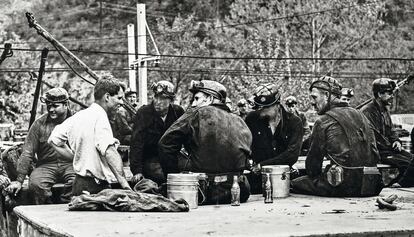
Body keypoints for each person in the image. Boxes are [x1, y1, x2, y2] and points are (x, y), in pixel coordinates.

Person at [158, 80, 252, 204]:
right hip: (239, 191)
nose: (193, 103)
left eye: (197, 98)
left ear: (210, 98)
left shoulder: (196, 113)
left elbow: (165, 144)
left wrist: (175, 181)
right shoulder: (240, 121)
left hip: (204, 192)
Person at [291, 76, 383, 197]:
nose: (312, 102)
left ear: (326, 95)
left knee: (292, 183)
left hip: (341, 185)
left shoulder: (323, 121)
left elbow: (313, 168)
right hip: (371, 185)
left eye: (314, 97)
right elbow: (375, 154)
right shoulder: (361, 115)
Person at [48, 75, 131, 196]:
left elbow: (53, 140)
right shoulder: (100, 117)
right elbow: (109, 151)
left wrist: (75, 156)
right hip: (95, 188)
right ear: (107, 97)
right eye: (119, 98)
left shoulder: (79, 116)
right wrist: (125, 185)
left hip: (79, 185)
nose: (122, 102)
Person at [6, 88, 75, 204]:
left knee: (78, 182)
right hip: (46, 166)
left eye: (55, 106)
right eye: (49, 106)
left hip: (71, 165)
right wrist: (19, 180)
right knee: (36, 184)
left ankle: (67, 208)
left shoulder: (77, 121)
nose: (51, 109)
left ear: (66, 105)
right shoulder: (39, 124)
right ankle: (46, 212)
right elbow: (27, 152)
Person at [244, 85, 304, 194]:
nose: (260, 110)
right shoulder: (252, 119)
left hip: (284, 181)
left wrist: (262, 165)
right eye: (258, 107)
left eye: (264, 107)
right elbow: (244, 145)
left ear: (276, 105)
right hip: (257, 183)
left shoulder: (294, 122)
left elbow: (292, 155)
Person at [360, 78, 414, 186]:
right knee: (407, 164)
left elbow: (391, 129)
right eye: (389, 93)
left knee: (412, 159)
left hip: (388, 149)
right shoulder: (367, 111)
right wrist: (390, 146)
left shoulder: (384, 109)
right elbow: (373, 138)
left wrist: (396, 141)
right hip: (377, 152)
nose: (392, 96)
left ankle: (397, 183)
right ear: (380, 94)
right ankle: (397, 184)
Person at [129, 81, 184, 184]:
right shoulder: (144, 113)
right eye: (156, 97)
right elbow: (136, 143)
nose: (158, 102)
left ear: (171, 100)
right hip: (151, 159)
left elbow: (187, 137)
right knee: (164, 177)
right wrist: (137, 171)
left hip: (173, 158)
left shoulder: (178, 112)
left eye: (163, 98)